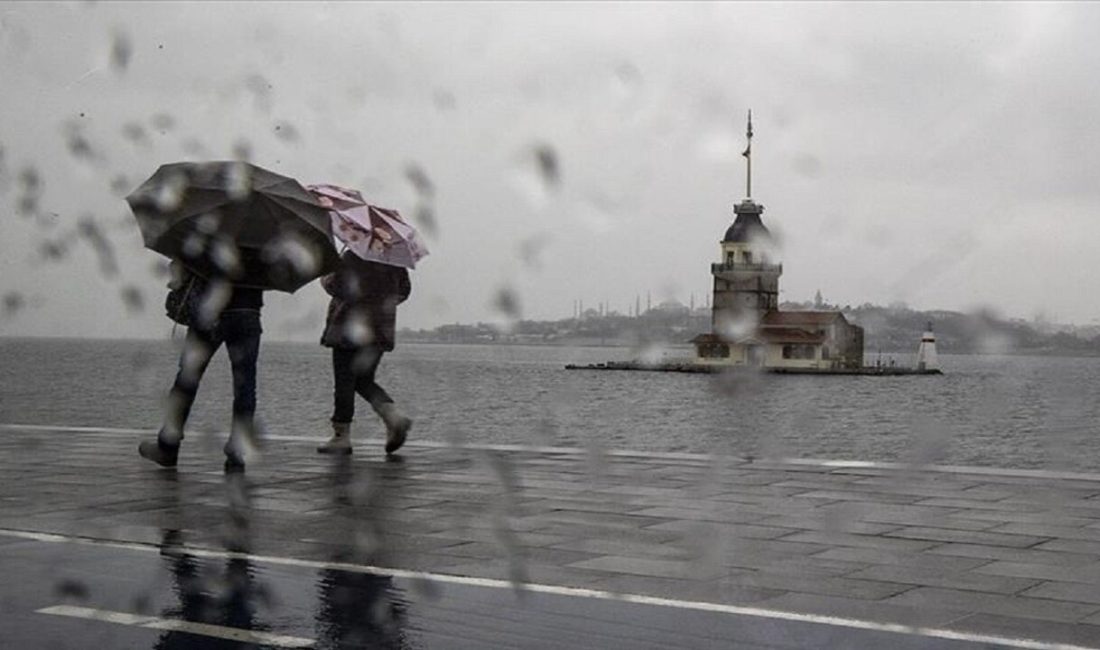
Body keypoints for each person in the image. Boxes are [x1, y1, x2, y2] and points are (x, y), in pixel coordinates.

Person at [139, 259, 265, 471]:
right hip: (247, 312)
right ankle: (236, 451)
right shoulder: (265, 236)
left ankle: (168, 446)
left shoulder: (213, 228)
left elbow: (187, 263)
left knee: (187, 380)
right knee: (245, 386)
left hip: (211, 312)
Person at [317, 250, 412, 455]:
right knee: (363, 380)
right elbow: (404, 291)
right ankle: (393, 417)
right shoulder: (394, 260)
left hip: (349, 329)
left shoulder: (352, 256)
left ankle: (341, 436)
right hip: (379, 330)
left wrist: (325, 277)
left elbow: (338, 286)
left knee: (345, 380)